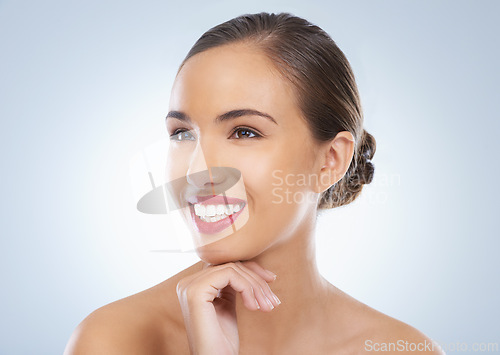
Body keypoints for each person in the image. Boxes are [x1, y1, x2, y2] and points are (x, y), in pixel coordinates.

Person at [64, 12, 443, 354]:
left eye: (244, 132)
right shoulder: (112, 341)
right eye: (182, 133)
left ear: (330, 160)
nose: (197, 170)